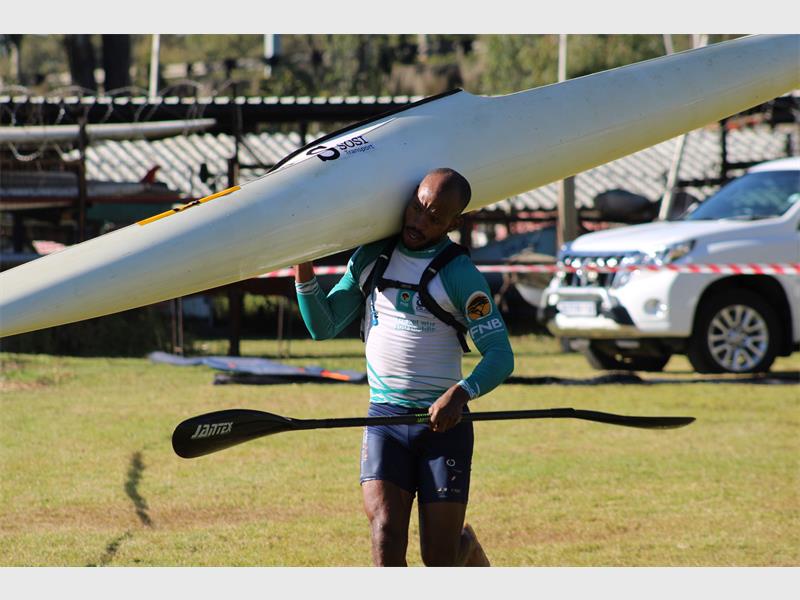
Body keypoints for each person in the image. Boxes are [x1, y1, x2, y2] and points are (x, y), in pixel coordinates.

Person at [294, 167, 514, 566]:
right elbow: (323, 326)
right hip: (385, 421)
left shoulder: (460, 275)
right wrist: (302, 264)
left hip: (443, 427)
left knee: (439, 559)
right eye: (417, 207)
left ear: (453, 223)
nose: (418, 221)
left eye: (434, 218)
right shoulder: (372, 258)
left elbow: (500, 355)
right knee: (385, 534)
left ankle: (468, 551)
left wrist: (461, 394)